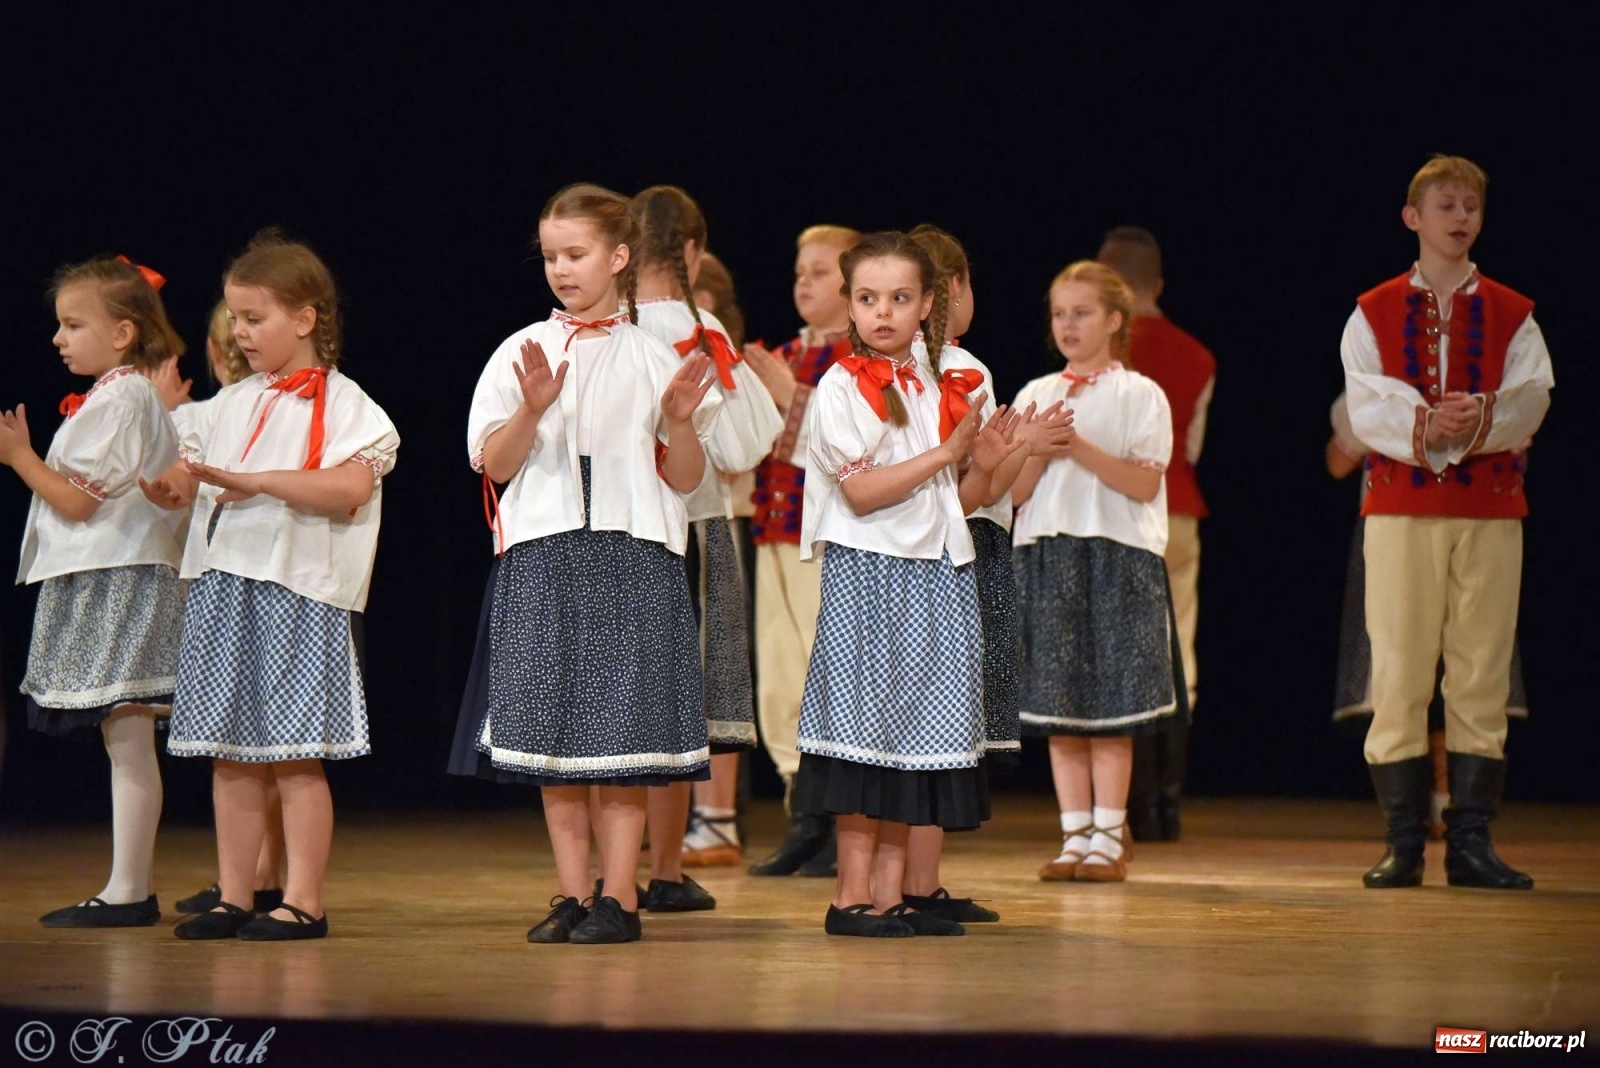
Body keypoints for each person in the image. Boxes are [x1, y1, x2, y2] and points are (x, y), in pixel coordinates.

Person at [465, 183, 718, 944]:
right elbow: (494, 463)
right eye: (550, 256)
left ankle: (621, 897)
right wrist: (532, 409)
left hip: (631, 554)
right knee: (554, 738)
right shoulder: (519, 350)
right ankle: (572, 893)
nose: (561, 269)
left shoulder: (653, 355)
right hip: (545, 556)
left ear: (619, 256)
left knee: (622, 740)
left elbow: (684, 478)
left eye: (576, 254)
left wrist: (678, 422)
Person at [147, 232, 401, 940]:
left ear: (305, 316)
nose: (240, 333)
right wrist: (167, 488)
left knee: (293, 754)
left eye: (254, 318)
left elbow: (348, 486)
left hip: (298, 588)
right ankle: (235, 894)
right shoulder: (229, 404)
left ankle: (303, 900)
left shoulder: (349, 405)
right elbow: (187, 478)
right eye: (235, 318)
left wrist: (258, 481)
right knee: (229, 753)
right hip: (225, 587)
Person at [793, 230, 1022, 937]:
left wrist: (985, 460)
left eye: (898, 298)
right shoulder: (840, 386)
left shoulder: (937, 383)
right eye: (867, 299)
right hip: (872, 574)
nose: (882, 312)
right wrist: (947, 455)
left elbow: (958, 493)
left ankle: (892, 894)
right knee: (865, 736)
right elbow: (862, 494)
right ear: (850, 305)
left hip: (937, 572)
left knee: (910, 739)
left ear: (928, 304)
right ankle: (851, 895)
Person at [1340, 155, 1552, 891]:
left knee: (1481, 670)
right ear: (1414, 217)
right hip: (1400, 508)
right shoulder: (1371, 308)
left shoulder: (1512, 310)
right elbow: (1365, 401)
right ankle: (1403, 841)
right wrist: (1430, 421)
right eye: (1446, 206)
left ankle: (1470, 842)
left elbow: (1533, 394)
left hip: (1490, 509)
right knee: (1398, 668)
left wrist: (1482, 415)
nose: (1460, 218)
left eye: (1471, 207)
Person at [2, 255, 187, 927]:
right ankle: (126, 884)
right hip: (106, 572)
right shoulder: (117, 396)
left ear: (123, 333)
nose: (59, 337)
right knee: (124, 734)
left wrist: (21, 457)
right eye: (60, 324)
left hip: (120, 576)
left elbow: (77, 504)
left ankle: (129, 889)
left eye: (74, 324)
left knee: (127, 732)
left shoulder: (124, 396)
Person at [900, 224, 1072, 924]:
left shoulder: (894, 370)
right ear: (953, 291)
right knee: (932, 728)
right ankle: (912, 884)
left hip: (946, 544)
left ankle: (920, 880)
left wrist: (1028, 449)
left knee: (930, 728)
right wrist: (1019, 448)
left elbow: (999, 490)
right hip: (958, 553)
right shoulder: (961, 371)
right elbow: (967, 494)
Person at [622, 185, 781, 908]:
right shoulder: (698, 327)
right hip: (691, 526)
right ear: (692, 250)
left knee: (623, 702)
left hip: (613, 528)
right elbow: (748, 442)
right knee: (678, 709)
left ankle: (616, 873)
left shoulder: (601, 323)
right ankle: (661, 871)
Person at [1014, 261, 1179, 884]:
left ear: (1114, 320)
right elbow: (1018, 492)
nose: (1068, 325)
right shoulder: (1035, 393)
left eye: (1081, 313)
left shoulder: (1140, 394)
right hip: (1049, 554)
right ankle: (1074, 833)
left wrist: (1075, 444)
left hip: (1117, 555)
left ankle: (1110, 834)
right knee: (1059, 706)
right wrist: (1033, 447)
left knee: (1111, 704)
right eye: (1059, 313)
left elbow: (1142, 481)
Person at [1326, 391, 1532, 842]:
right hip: (1416, 516)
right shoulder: (1386, 367)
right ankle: (1423, 819)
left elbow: (1339, 459)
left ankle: (1441, 819)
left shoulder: (1391, 380)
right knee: (1424, 669)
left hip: (1449, 515)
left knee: (1441, 667)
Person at [740, 224, 860, 878]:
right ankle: (803, 816)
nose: (804, 283)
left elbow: (852, 445)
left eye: (820, 271)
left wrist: (788, 397)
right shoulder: (782, 352)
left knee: (826, 672)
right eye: (799, 271)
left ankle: (843, 820)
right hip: (776, 533)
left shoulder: (860, 363)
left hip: (828, 541)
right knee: (783, 677)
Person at [1096, 227, 1214, 842]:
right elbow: (1188, 449)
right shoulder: (1197, 355)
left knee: (1119, 653)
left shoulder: (1100, 353)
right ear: (1159, 283)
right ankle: (1167, 803)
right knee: (1178, 651)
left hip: (1111, 515)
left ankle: (1130, 803)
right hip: (1178, 510)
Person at [170, 302, 287, 916]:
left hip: (279, 581)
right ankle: (249, 877)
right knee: (239, 744)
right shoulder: (218, 414)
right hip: (222, 576)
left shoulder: (297, 405)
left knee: (276, 744)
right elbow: (183, 476)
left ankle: (270, 877)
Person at [682, 251, 758, 867]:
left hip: (712, 520)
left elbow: (739, 449)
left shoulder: (716, 346)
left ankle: (717, 819)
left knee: (716, 665)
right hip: (658, 523)